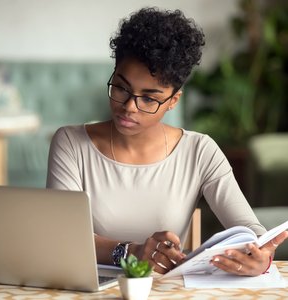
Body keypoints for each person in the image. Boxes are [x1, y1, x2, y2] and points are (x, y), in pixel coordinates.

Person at [46, 7, 288, 276]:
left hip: (166, 290)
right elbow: (60, 236)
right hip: (90, 290)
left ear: (173, 101)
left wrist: (261, 256)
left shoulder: (199, 151)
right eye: (121, 87)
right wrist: (130, 252)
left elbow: (249, 228)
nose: (129, 107)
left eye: (149, 98)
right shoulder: (70, 143)